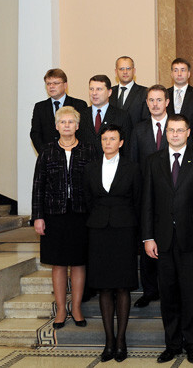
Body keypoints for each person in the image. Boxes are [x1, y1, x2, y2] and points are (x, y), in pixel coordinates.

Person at [142, 114, 193, 364]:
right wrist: (148, 237)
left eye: (179, 130)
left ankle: (192, 343)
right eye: (170, 130)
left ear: (188, 132)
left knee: (189, 293)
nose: (174, 134)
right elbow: (148, 203)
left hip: (191, 240)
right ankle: (172, 343)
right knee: (168, 294)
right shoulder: (153, 161)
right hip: (161, 240)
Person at [31, 106, 96, 330]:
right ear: (56, 126)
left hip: (81, 214)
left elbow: (94, 185)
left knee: (78, 262)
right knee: (58, 263)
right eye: (63, 122)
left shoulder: (88, 150)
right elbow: (38, 186)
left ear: (78, 126)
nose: (67, 125)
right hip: (54, 215)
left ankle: (76, 307)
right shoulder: (47, 151)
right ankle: (60, 309)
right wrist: (38, 217)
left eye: (71, 122)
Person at [83, 124, 141, 363]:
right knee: (104, 287)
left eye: (112, 139)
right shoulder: (90, 168)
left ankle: (121, 341)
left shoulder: (133, 168)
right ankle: (108, 341)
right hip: (98, 232)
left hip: (124, 231)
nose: (108, 142)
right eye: (104, 139)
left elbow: (138, 201)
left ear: (121, 142)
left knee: (122, 287)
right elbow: (87, 199)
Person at [129, 84, 171, 308]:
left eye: (159, 100)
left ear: (167, 102)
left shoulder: (177, 127)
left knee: (166, 242)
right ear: (147, 103)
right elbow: (134, 165)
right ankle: (149, 290)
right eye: (151, 100)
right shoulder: (138, 130)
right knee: (146, 241)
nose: (155, 104)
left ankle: (166, 288)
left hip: (171, 196)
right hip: (146, 196)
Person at [30, 69, 87, 154]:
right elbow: (35, 134)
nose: (51, 86)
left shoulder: (79, 105)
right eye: (48, 83)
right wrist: (45, 154)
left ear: (65, 85)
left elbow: (83, 132)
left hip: (74, 155)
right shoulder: (40, 107)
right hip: (48, 157)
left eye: (56, 83)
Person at [78, 75, 132, 157]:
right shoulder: (80, 115)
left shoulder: (122, 116)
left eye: (99, 89)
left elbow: (127, 148)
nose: (94, 93)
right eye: (91, 89)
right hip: (86, 166)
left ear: (109, 92)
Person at [167, 58, 193, 152]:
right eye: (175, 70)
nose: (179, 74)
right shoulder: (164, 94)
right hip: (168, 148)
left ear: (189, 74)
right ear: (171, 74)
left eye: (183, 70)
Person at [109, 56, 149, 126]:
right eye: (121, 69)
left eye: (128, 69)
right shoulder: (109, 93)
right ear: (116, 72)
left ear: (134, 71)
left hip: (135, 136)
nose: (125, 72)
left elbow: (146, 121)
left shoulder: (145, 93)